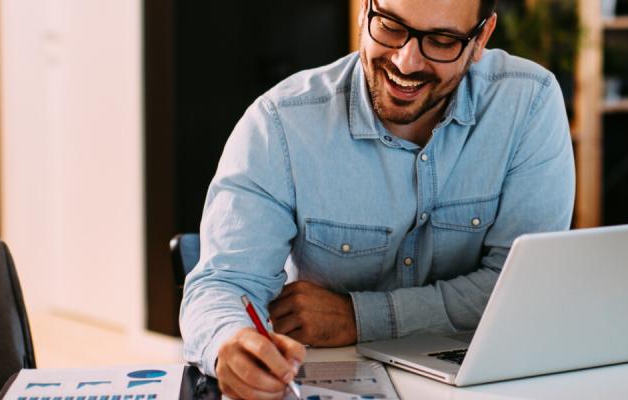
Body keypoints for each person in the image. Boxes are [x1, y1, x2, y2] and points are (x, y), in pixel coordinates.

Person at [180, 0, 574, 398]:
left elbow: (519, 292)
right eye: (390, 25)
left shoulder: (529, 104)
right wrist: (229, 343)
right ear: (364, 11)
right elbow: (223, 284)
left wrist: (358, 318)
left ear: (480, 39)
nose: (406, 61)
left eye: (441, 41)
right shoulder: (280, 123)